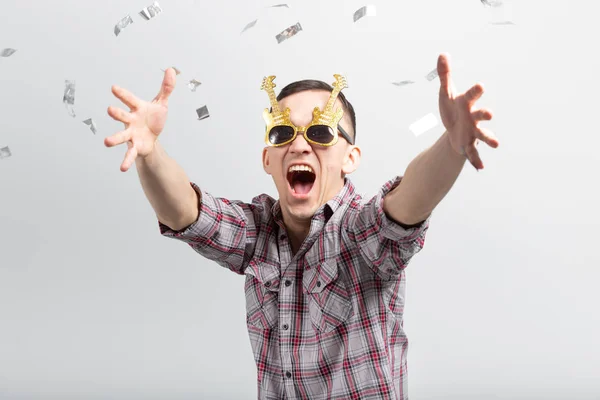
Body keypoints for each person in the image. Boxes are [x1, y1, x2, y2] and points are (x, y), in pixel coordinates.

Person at [104, 53, 499, 400]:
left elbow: (406, 203)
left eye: (321, 132)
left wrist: (451, 146)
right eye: (282, 133)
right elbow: (186, 213)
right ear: (268, 159)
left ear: (350, 158)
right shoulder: (256, 232)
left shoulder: (359, 233)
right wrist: (150, 152)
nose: (299, 144)